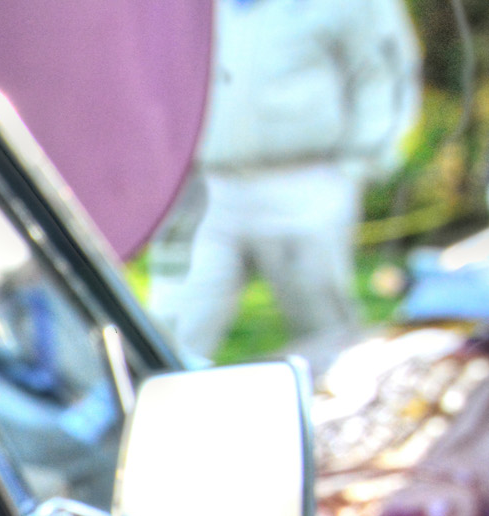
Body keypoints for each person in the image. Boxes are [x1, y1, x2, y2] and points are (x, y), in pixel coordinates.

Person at [156, 0, 420, 371]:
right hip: (204, 186)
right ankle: (143, 417)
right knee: (172, 321)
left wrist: (359, 165)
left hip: (303, 182)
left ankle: (336, 417)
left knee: (326, 330)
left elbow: (384, 70)